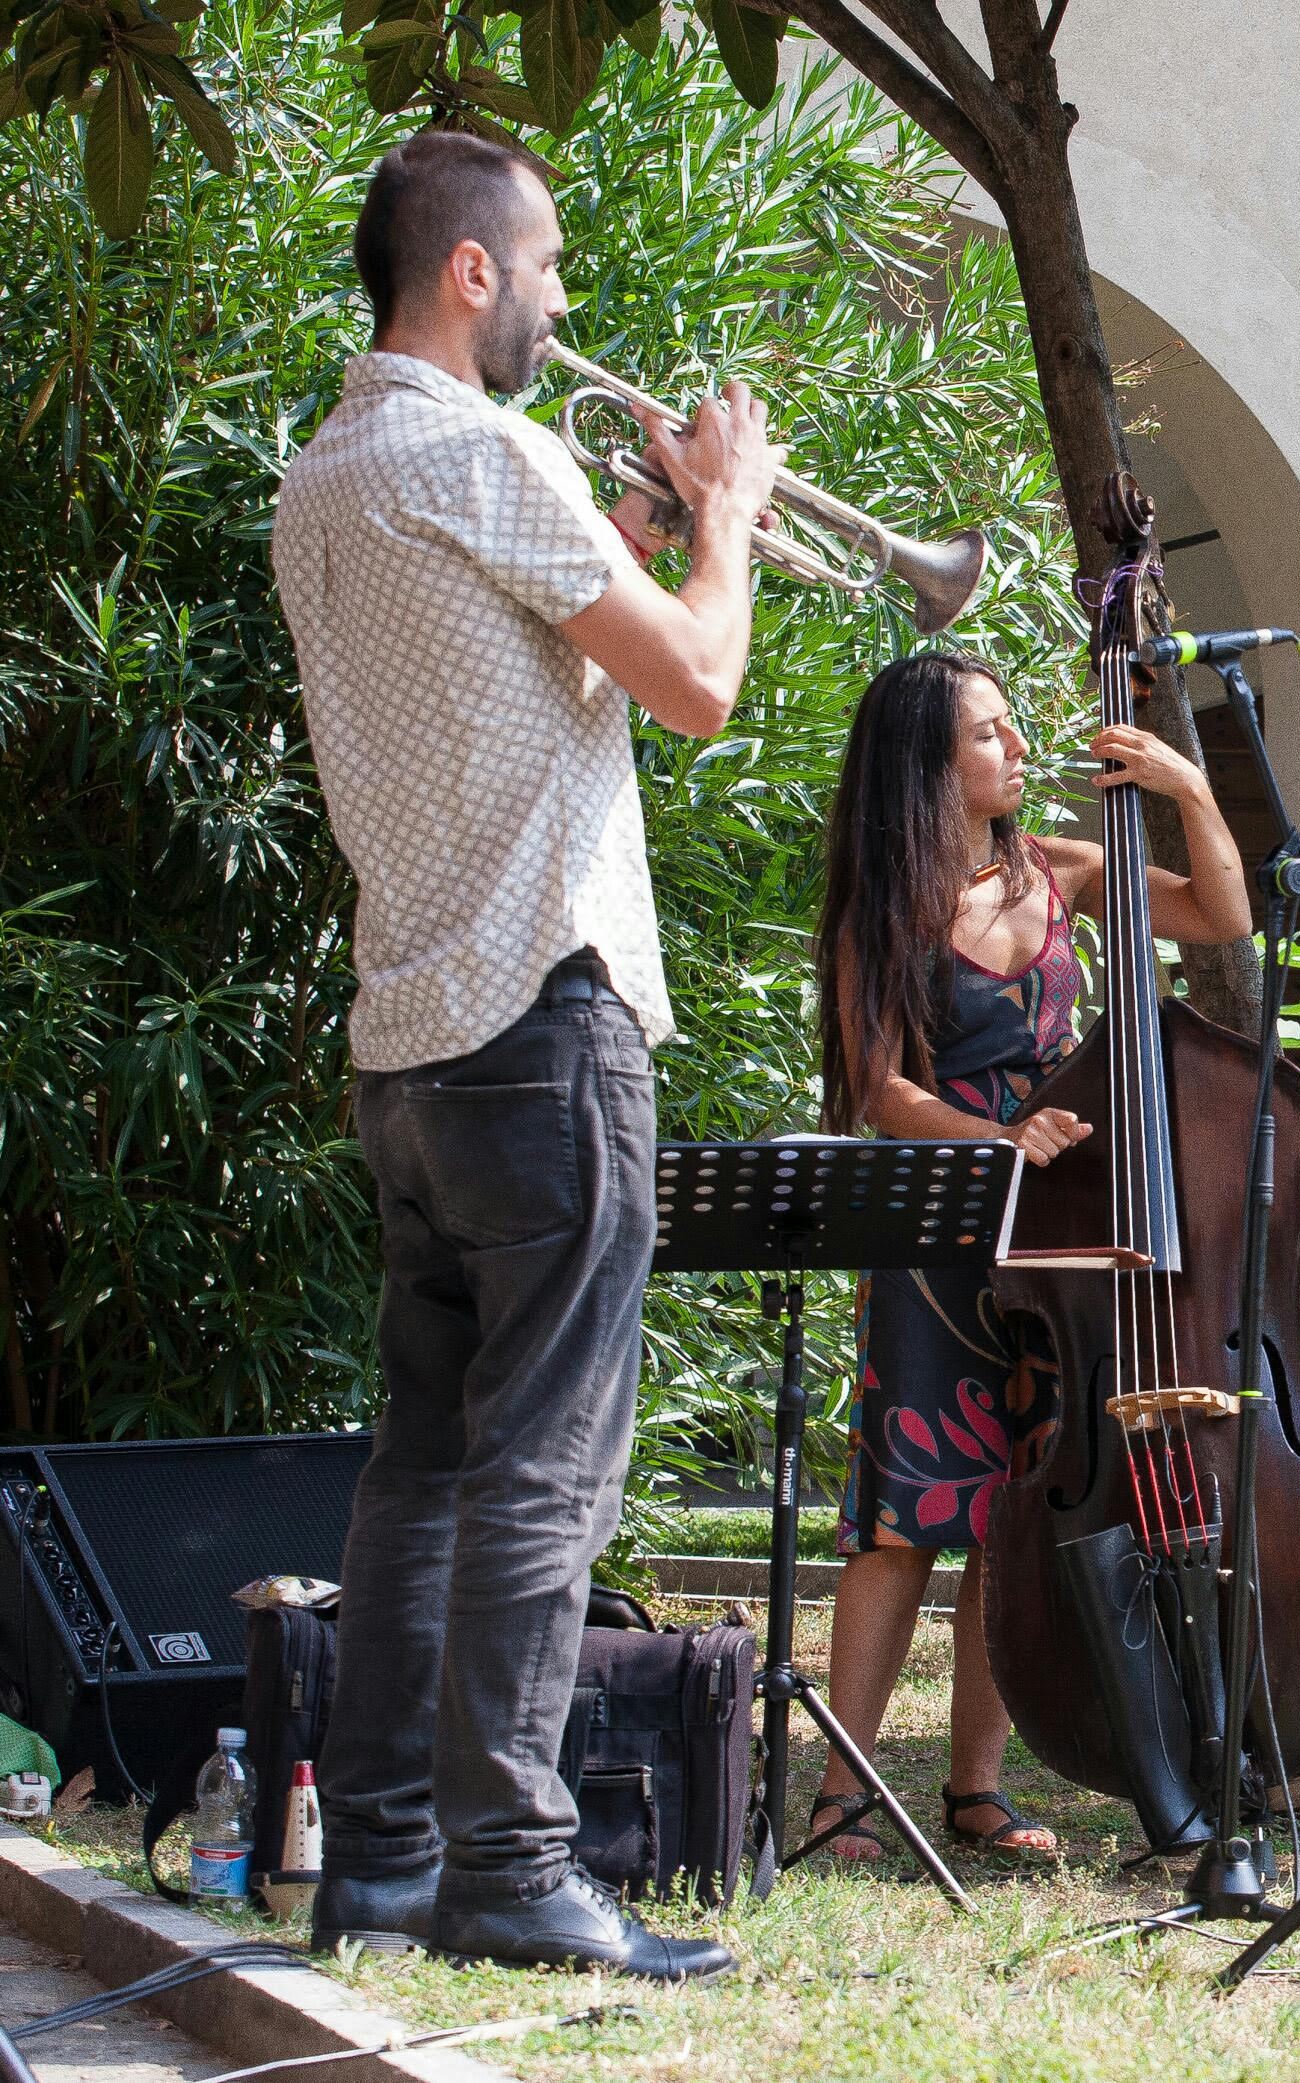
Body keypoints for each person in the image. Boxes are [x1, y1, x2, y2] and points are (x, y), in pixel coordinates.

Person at [274, 129, 784, 1979]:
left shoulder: (330, 470)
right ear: (470, 270)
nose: (565, 300)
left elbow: (500, 696)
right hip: (543, 1014)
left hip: (408, 1035)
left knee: (422, 1464)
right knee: (547, 1466)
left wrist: (623, 535)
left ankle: (391, 1856)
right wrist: (719, 519)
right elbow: (699, 686)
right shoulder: (483, 449)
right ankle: (518, 1861)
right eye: (546, 262)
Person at [805, 650, 1249, 1864]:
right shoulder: (883, 902)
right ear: (927, 766)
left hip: (1057, 1240)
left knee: (1019, 1508)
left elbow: (1223, 914)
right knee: (903, 1517)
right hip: (940, 1228)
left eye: (1009, 727)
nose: (1014, 746)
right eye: (987, 734)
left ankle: (973, 1790)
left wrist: (1188, 791)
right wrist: (993, 1138)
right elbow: (877, 1083)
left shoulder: (1060, 867)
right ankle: (843, 1793)